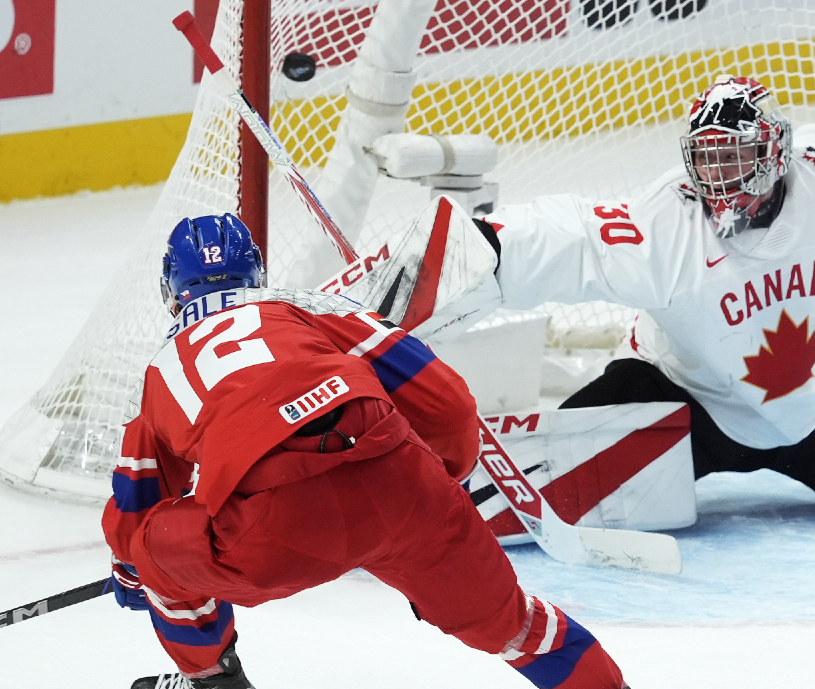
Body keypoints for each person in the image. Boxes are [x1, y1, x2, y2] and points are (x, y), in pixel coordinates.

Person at [102, 214, 629, 689]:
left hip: (279, 531)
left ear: (171, 292)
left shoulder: (156, 372)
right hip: (405, 486)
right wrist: (443, 492)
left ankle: (212, 681)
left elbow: (133, 516)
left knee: (153, 548)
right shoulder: (311, 309)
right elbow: (448, 406)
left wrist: (135, 576)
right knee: (519, 628)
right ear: (256, 274)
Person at [474, 75, 815, 507]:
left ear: (774, 151)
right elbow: (567, 237)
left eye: (735, 156)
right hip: (679, 405)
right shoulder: (663, 224)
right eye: (708, 159)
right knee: (566, 457)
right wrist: (480, 247)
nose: (719, 176)